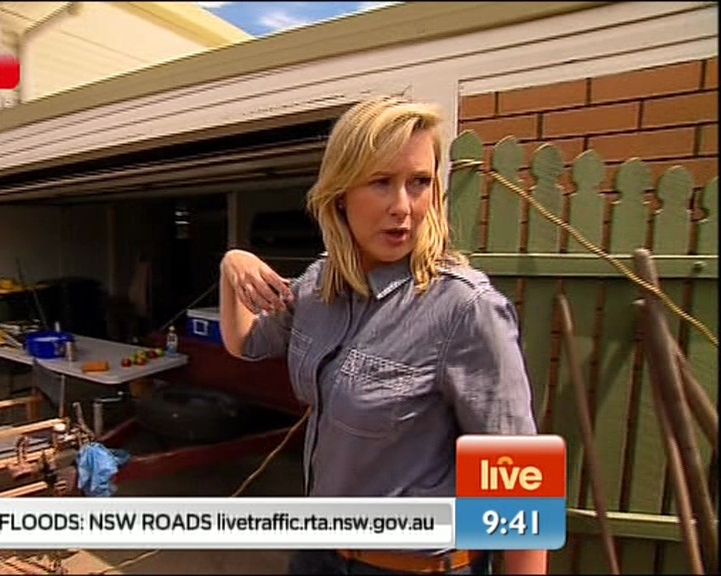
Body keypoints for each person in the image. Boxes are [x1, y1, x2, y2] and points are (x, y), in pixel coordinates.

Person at [218, 94, 546, 575]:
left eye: (419, 182)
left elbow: (517, 480)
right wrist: (232, 264)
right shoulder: (319, 286)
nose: (402, 207)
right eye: (380, 182)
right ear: (340, 193)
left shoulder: (465, 308)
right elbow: (245, 342)